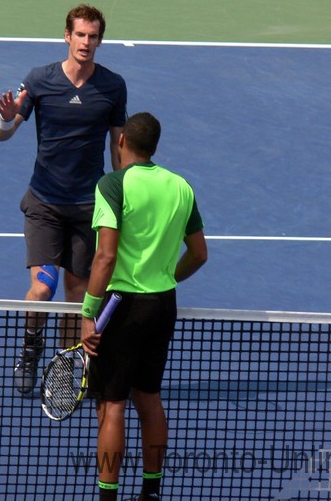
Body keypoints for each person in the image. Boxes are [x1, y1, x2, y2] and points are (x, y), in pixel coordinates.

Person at [0, 3, 128, 394]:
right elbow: (4, 133)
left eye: (93, 36)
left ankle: (66, 361)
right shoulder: (39, 80)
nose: (86, 42)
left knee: (76, 295)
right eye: (80, 35)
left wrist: (121, 196)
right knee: (42, 289)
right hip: (45, 204)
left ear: (100, 40)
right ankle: (31, 348)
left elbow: (117, 145)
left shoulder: (113, 86)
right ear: (66, 36)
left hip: (90, 206)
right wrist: (5, 117)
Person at [80, 112, 208, 501]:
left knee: (113, 404)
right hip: (162, 304)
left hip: (121, 306)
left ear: (121, 142)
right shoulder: (181, 187)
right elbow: (199, 254)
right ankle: (151, 492)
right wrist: (167, 276)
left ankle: (107, 495)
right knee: (149, 399)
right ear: (154, 147)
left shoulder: (112, 185)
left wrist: (88, 313)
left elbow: (105, 257)